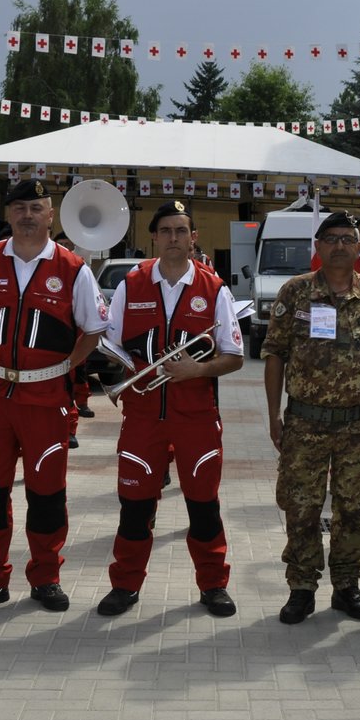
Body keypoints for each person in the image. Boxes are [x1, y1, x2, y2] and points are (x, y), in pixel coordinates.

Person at [0, 179, 108, 615]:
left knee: (46, 494)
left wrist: (63, 367)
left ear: (51, 214)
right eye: (19, 207)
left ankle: (46, 577)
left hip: (45, 400)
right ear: (8, 215)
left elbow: (94, 329)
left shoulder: (73, 268)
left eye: (36, 207)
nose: (27, 215)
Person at [98, 200, 244, 618]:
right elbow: (110, 344)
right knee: (135, 506)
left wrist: (197, 369)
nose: (174, 238)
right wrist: (134, 368)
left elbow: (233, 356)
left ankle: (213, 585)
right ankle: (124, 585)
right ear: (155, 237)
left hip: (196, 416)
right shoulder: (132, 282)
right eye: (166, 231)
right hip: (142, 414)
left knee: (203, 506)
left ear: (193, 238)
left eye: (182, 231)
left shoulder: (214, 289)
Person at [263, 211, 360, 624]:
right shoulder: (295, 293)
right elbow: (274, 355)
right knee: (301, 507)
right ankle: (301, 588)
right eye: (331, 238)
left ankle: (346, 586)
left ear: (359, 248)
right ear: (317, 247)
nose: (340, 245)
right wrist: (273, 416)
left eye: (347, 238)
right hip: (305, 423)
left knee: (355, 507)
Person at [55, 232, 96, 426]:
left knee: (78, 372)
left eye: (66, 243)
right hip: (59, 332)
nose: (63, 246)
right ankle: (70, 421)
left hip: (77, 331)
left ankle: (82, 403)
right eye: (60, 243)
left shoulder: (77, 266)